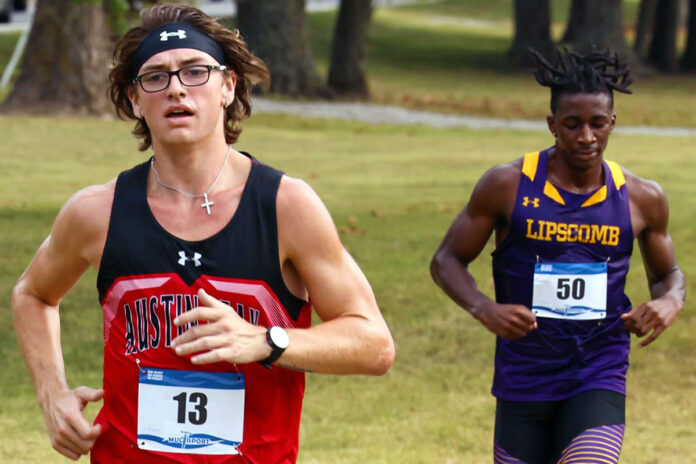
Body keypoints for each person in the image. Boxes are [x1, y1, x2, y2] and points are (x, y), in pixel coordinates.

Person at [11, 4, 395, 463]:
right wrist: (51, 393)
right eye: (155, 77)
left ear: (228, 86)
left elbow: (374, 343)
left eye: (195, 71)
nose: (175, 88)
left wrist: (267, 340)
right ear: (134, 99)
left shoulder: (285, 207)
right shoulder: (98, 212)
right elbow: (33, 294)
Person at [430, 49, 685, 464]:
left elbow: (668, 273)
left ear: (612, 124)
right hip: (524, 373)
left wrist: (669, 300)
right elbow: (446, 260)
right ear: (552, 125)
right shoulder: (506, 185)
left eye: (598, 123)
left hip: (597, 367)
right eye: (572, 124)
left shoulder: (642, 197)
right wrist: (484, 308)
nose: (586, 136)